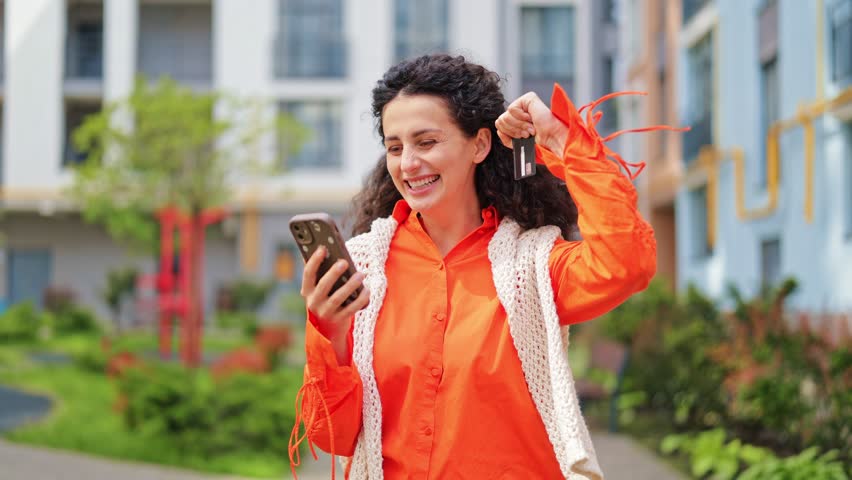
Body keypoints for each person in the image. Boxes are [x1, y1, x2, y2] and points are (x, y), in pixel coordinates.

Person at [288, 54, 684, 480]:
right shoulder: (362, 268)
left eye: (426, 142)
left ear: (479, 144)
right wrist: (330, 334)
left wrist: (560, 141)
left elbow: (627, 264)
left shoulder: (531, 267)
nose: (408, 164)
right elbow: (332, 438)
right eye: (394, 147)